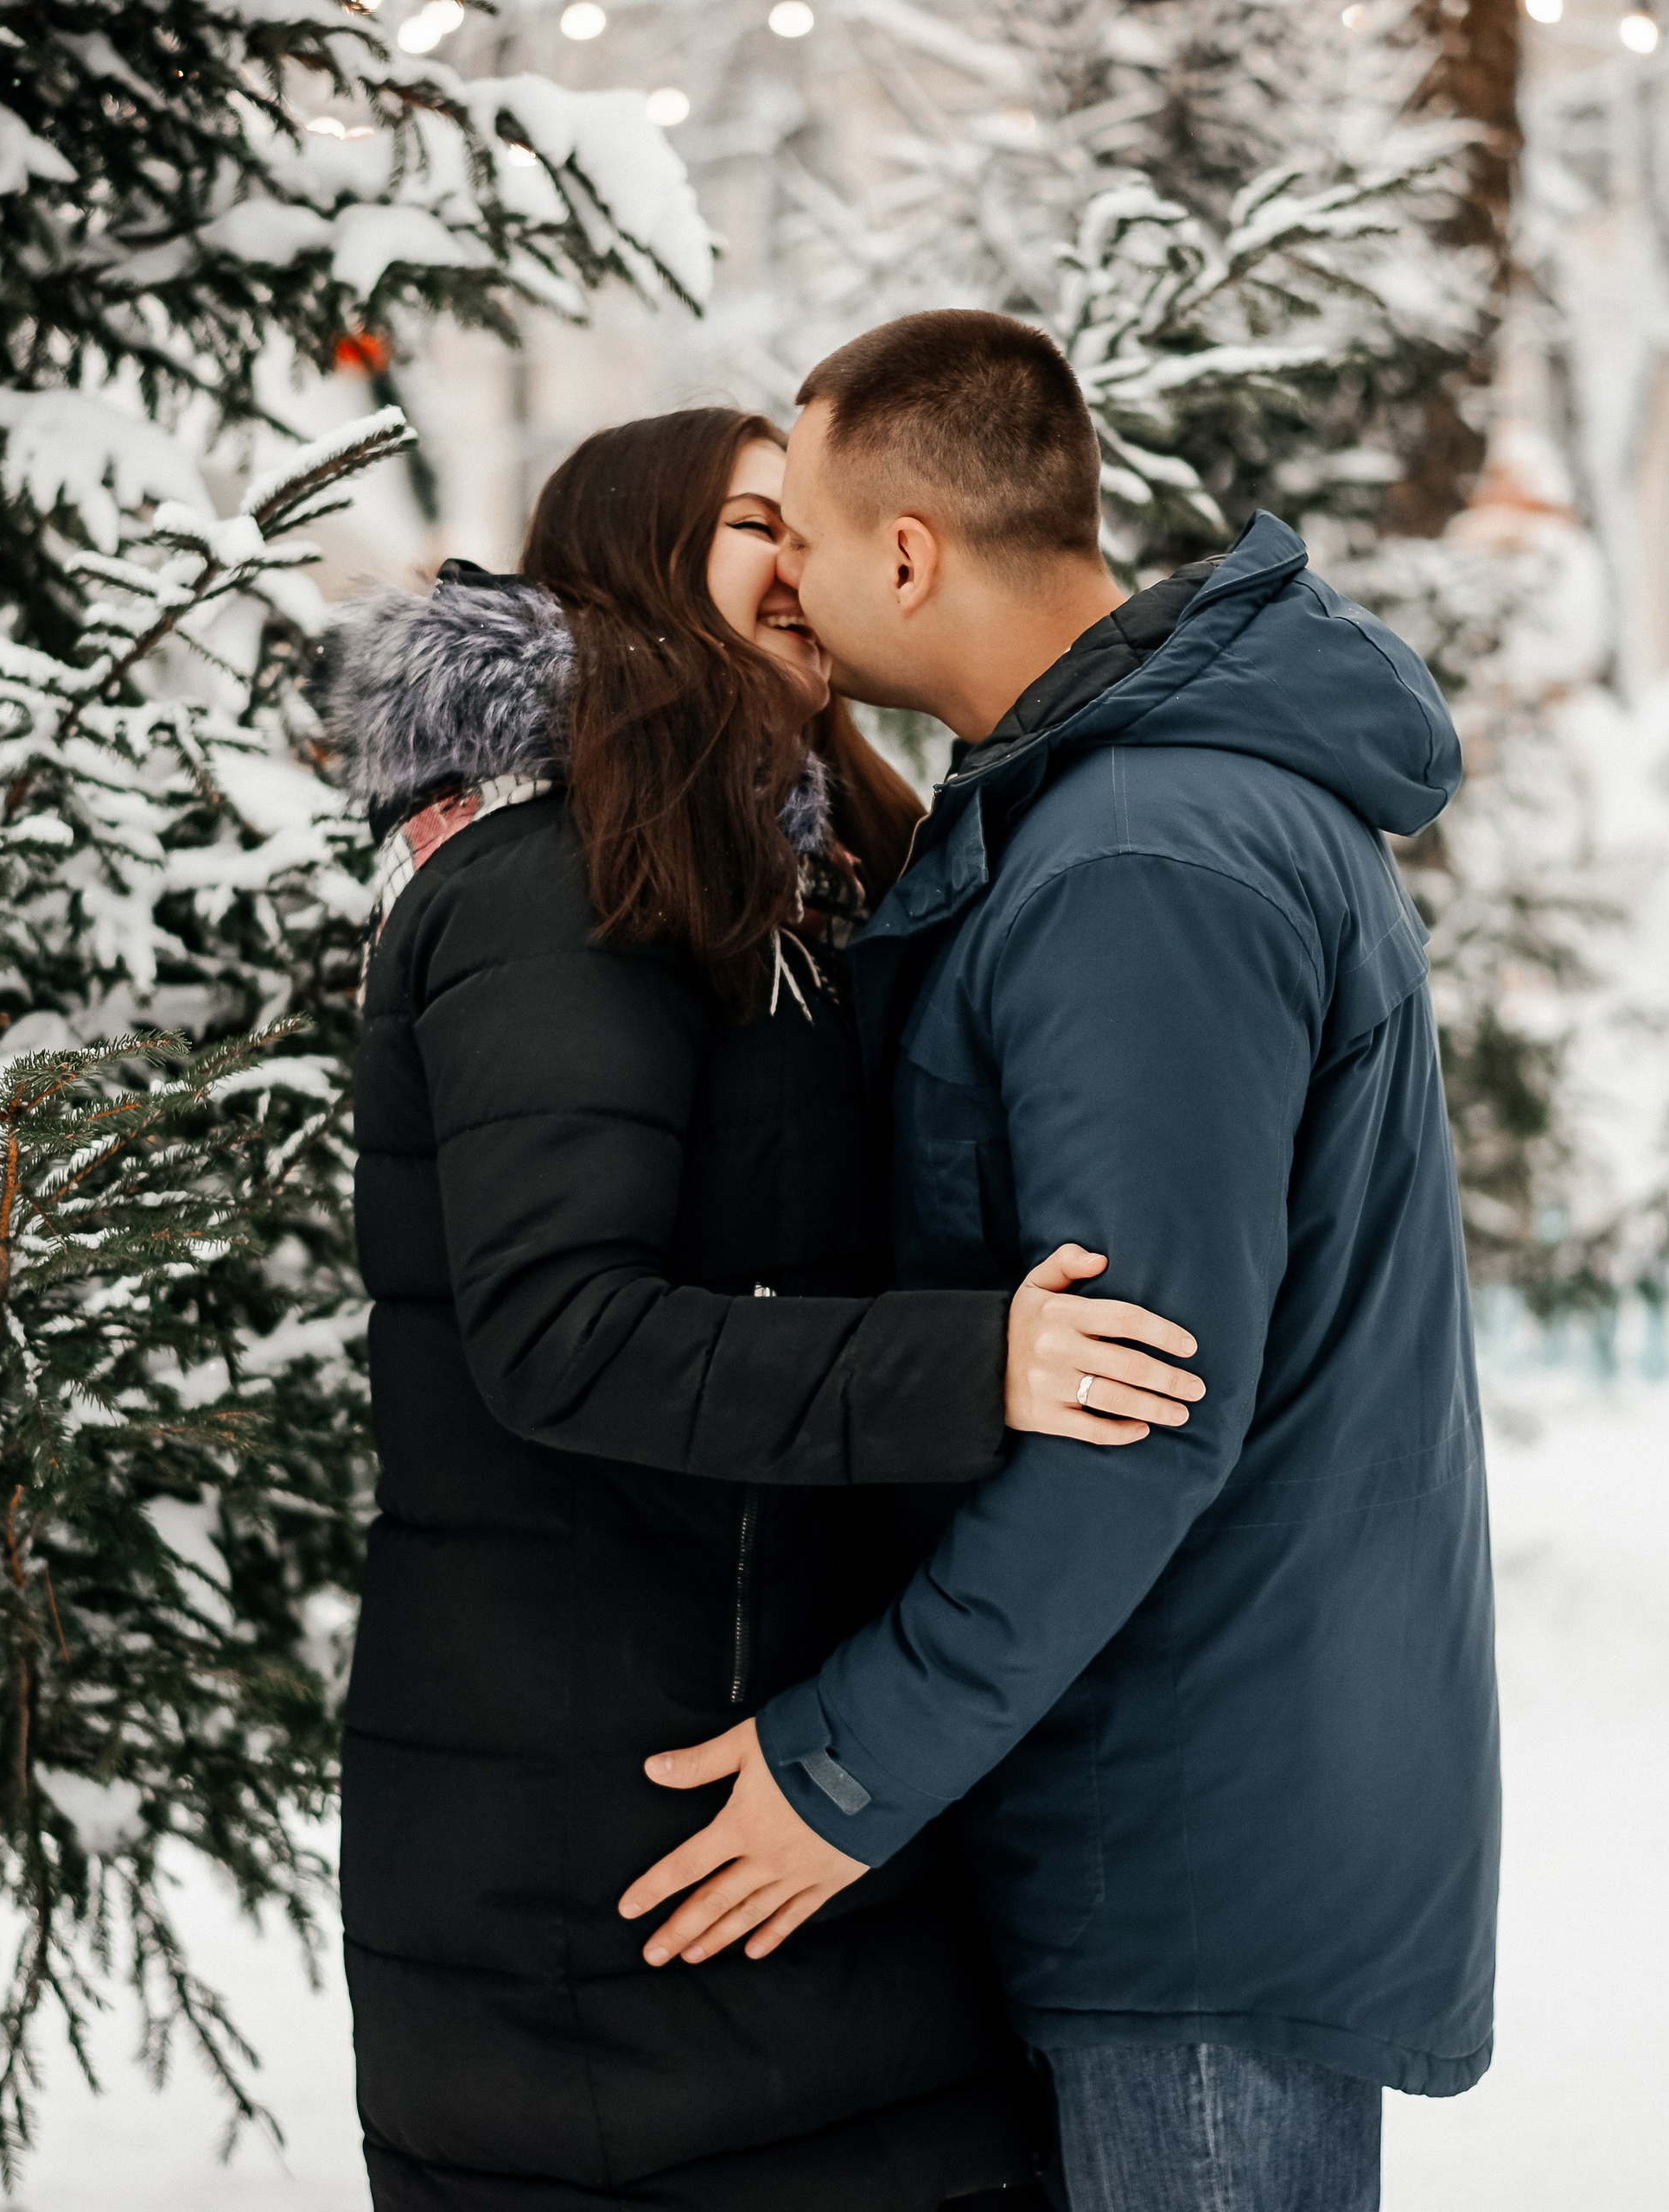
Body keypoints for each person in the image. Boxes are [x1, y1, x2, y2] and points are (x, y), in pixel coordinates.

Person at [621, 315, 1504, 2212]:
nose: (784, 585)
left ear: (906, 555)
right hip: (1165, 1795)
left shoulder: (1136, 860)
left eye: (803, 540)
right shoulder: (1114, 810)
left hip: (1185, 1841)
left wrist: (845, 1766)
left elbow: (1138, 1404)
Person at [323, 405, 1207, 2212]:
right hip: (608, 1868)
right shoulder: (553, 873)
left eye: (808, 524)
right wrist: (978, 1362)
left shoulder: (787, 874)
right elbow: (563, 1327)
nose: (801, 561)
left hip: (771, 1814)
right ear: (638, 550)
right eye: (755, 522)